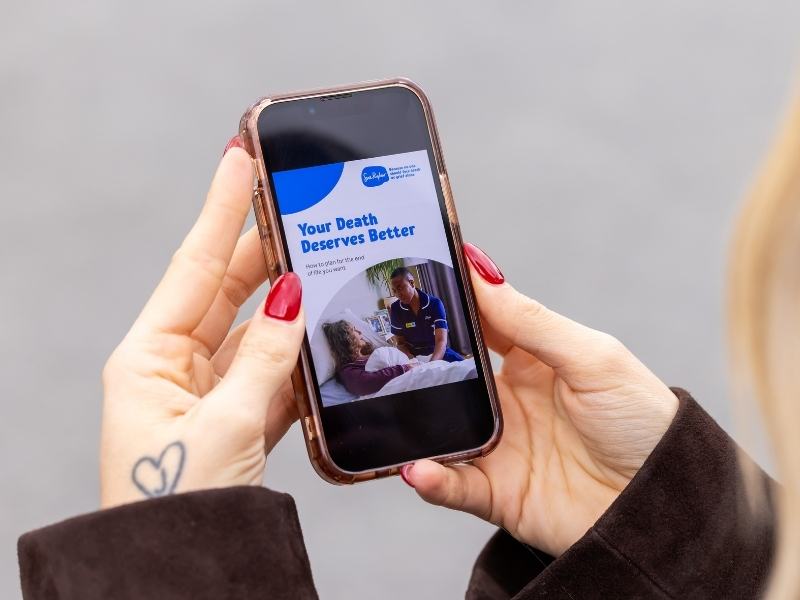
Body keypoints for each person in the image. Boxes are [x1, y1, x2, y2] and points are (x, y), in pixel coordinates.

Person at [16, 110, 797, 599]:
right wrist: (674, 530)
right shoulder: (373, 338)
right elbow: (385, 354)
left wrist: (168, 550)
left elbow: (416, 343)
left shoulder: (403, 315)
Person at [388, 266, 464, 362]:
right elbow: (400, 343)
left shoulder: (434, 303)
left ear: (412, 283)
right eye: (394, 291)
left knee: (466, 366)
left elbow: (441, 341)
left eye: (400, 288)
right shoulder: (396, 309)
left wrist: (432, 364)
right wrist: (412, 360)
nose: (398, 295)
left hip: (437, 351)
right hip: (414, 355)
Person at [322, 319, 414, 396]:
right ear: (346, 338)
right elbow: (365, 384)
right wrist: (405, 368)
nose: (360, 332)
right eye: (354, 330)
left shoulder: (373, 352)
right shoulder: (348, 370)